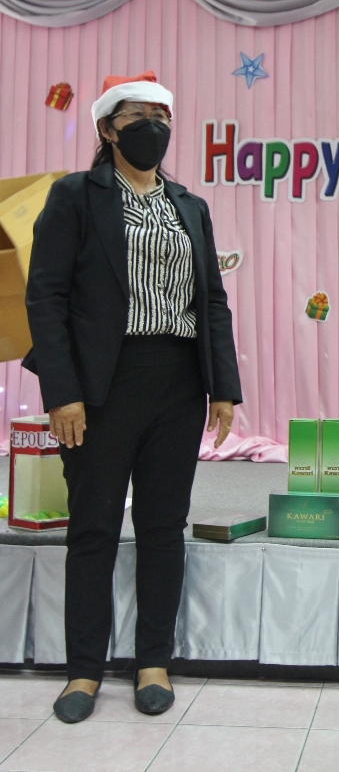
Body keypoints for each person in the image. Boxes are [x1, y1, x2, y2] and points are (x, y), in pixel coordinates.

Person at [23, 71, 242, 723]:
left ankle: (153, 661)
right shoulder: (75, 195)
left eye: (162, 116)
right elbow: (46, 296)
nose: (154, 127)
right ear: (108, 128)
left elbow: (212, 301)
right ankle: (84, 670)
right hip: (100, 387)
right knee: (92, 527)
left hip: (178, 383)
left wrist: (223, 388)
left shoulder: (189, 205)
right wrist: (61, 392)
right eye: (139, 116)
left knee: (162, 526)